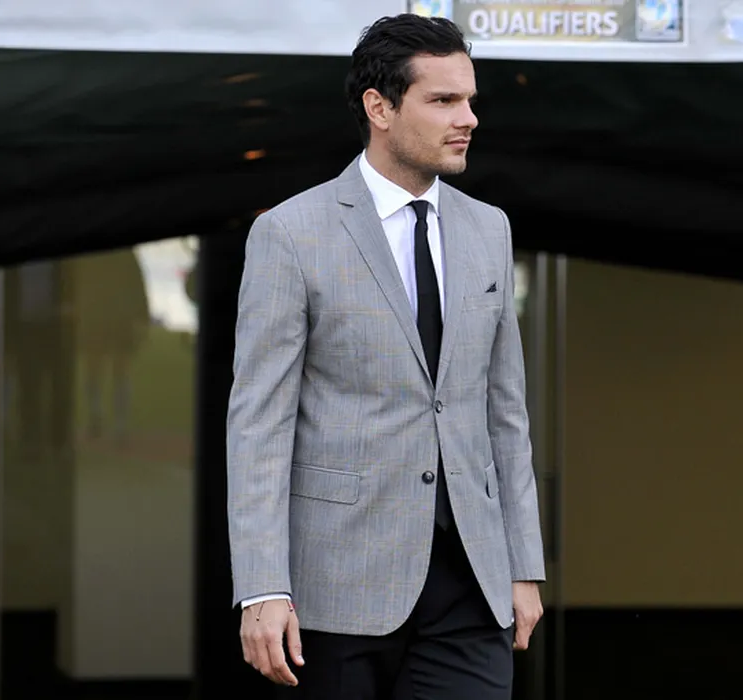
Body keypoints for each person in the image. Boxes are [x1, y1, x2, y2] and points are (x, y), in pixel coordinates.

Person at [225, 13, 546, 700]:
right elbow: (258, 425)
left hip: (471, 583)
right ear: (380, 108)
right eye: (443, 100)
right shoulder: (290, 234)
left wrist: (524, 565)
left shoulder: (489, 229)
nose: (468, 118)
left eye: (469, 100)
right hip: (336, 586)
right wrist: (262, 586)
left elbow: (505, 411)